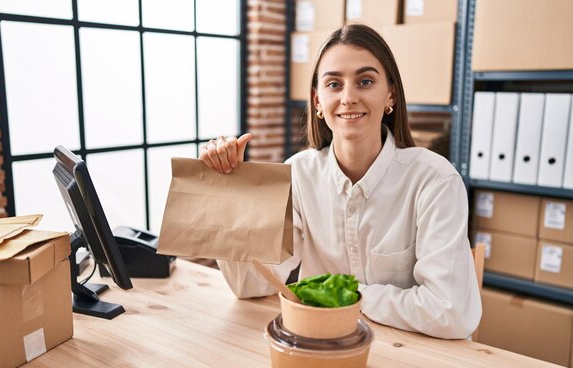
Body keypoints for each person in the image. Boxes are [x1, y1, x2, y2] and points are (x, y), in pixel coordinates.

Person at [199, 24, 481, 340]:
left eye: (365, 81)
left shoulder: (435, 180)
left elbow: (451, 313)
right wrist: (226, 193)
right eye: (334, 84)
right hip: (324, 346)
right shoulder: (299, 173)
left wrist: (340, 294)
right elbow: (251, 284)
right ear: (318, 102)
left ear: (390, 94)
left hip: (418, 359)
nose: (348, 98)